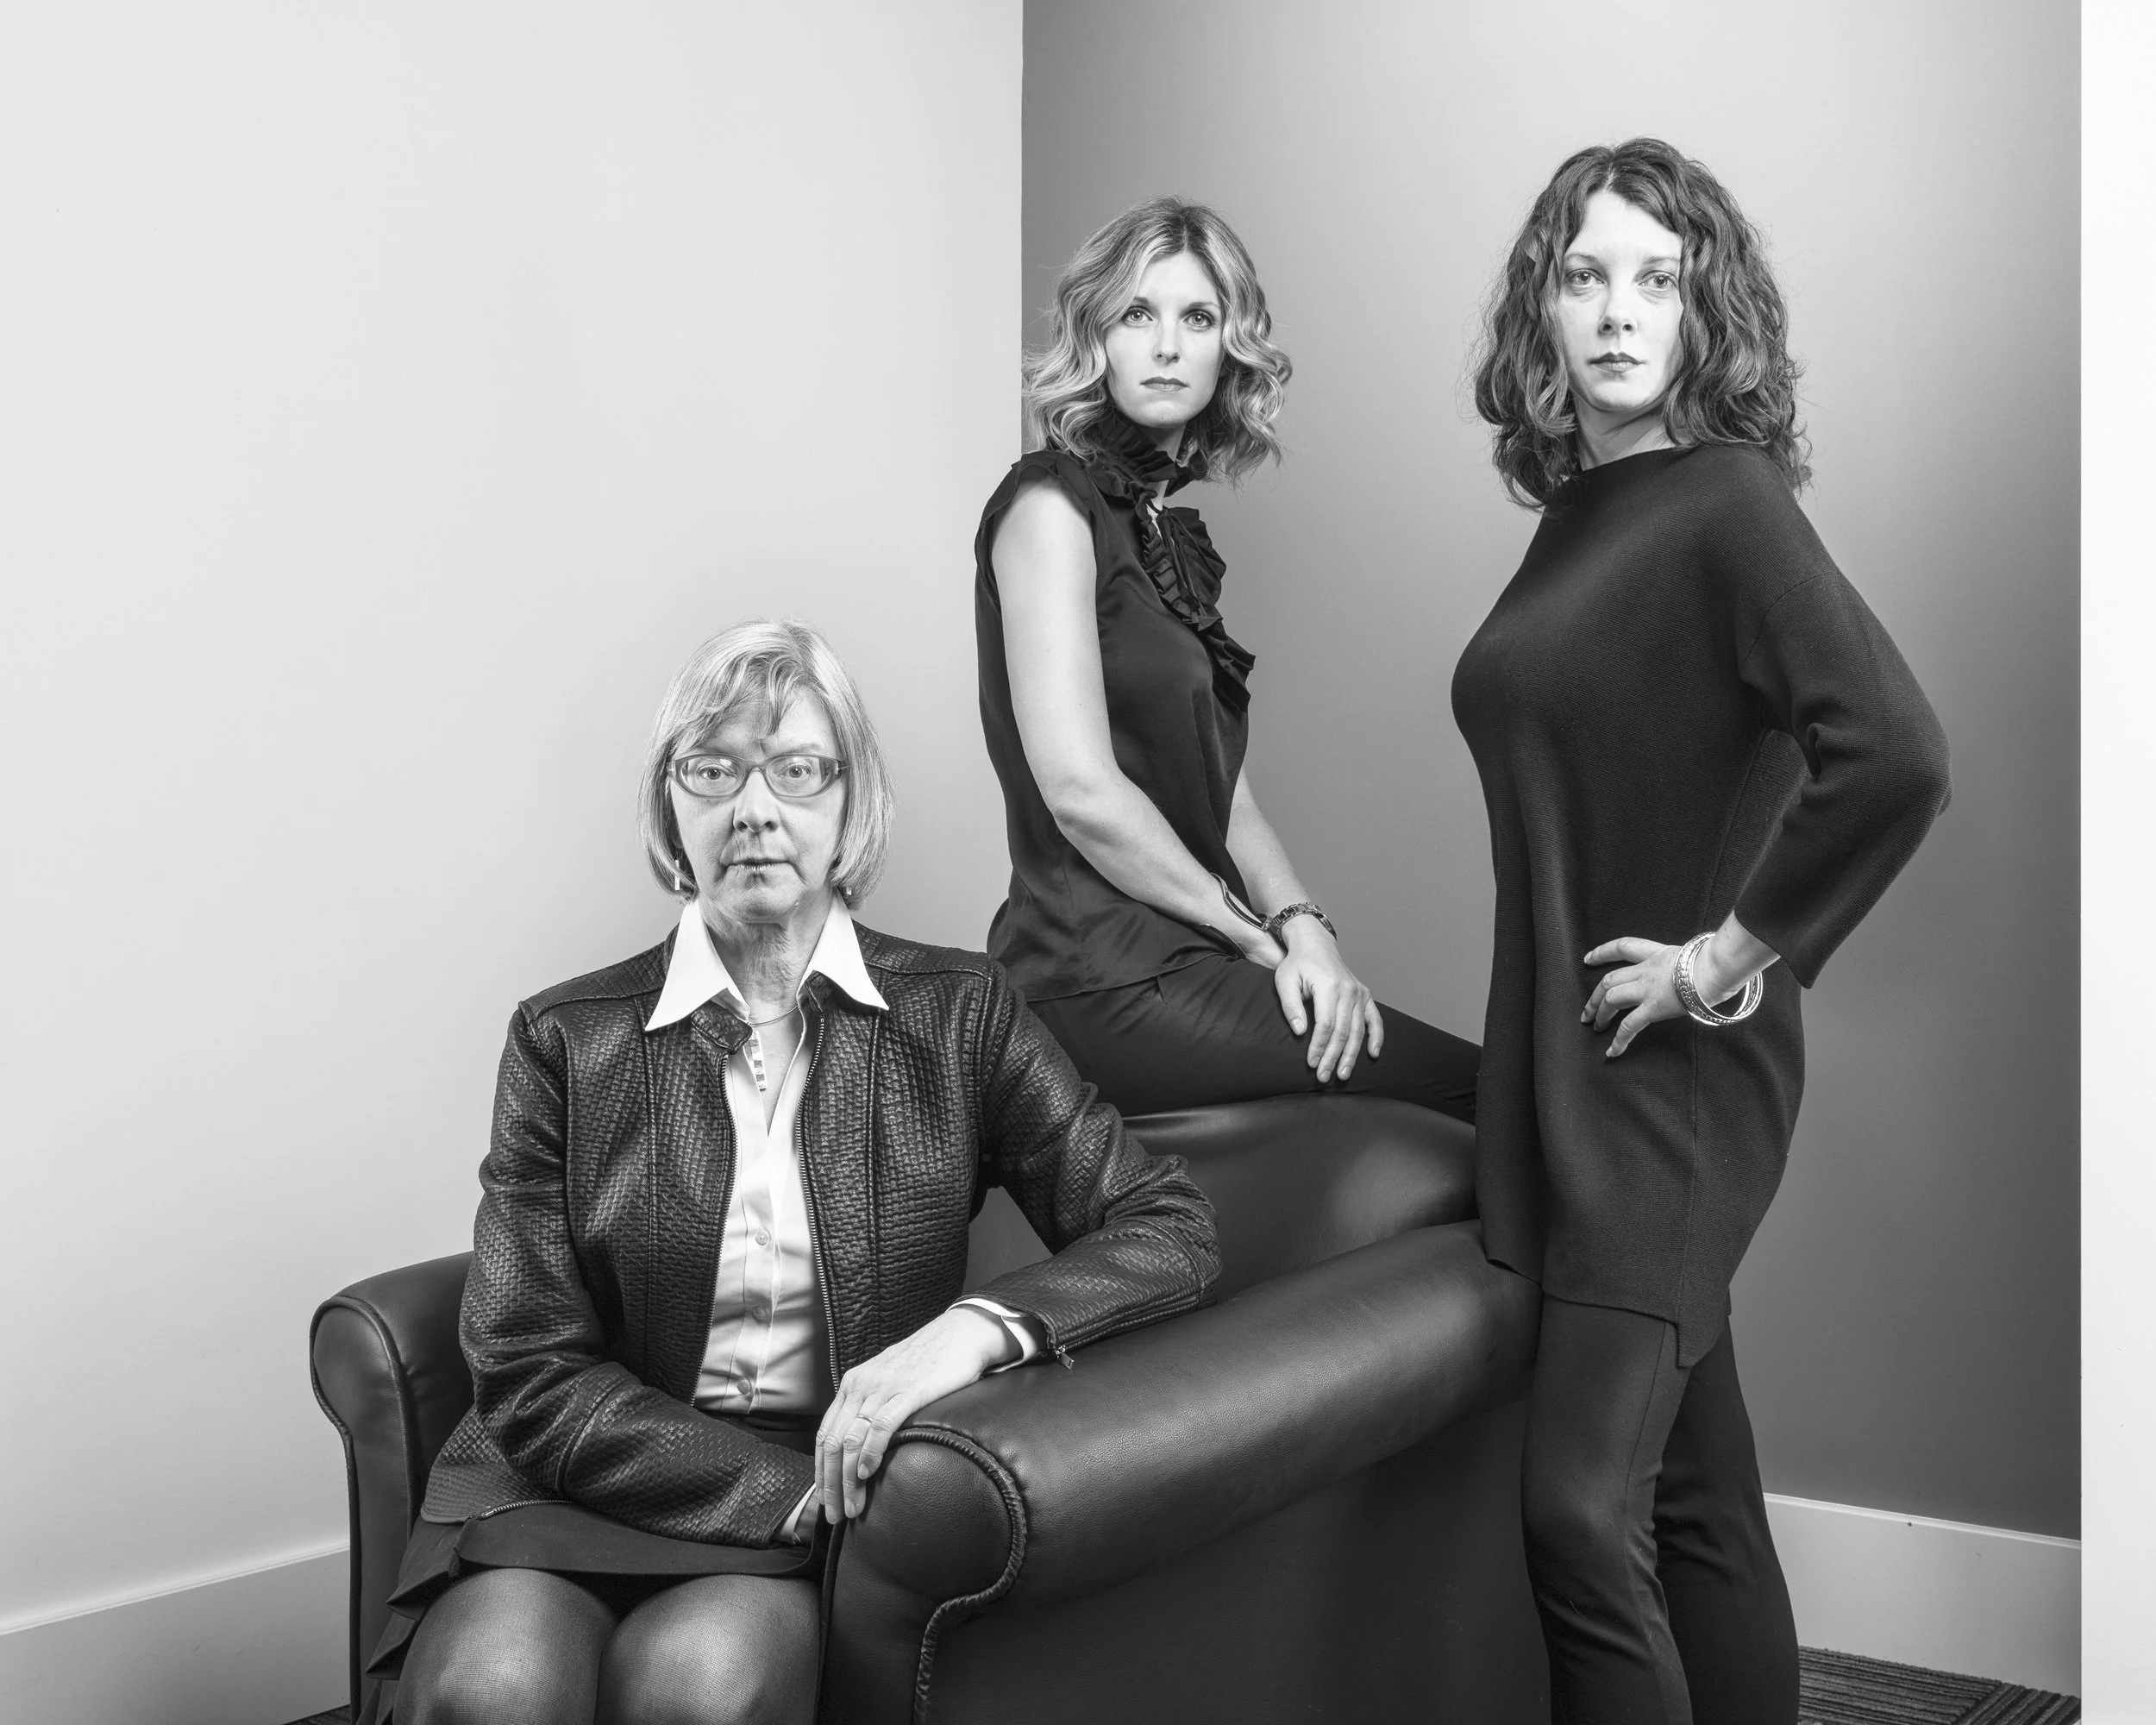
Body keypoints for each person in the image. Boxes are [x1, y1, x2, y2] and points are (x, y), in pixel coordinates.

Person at [378, 619, 1219, 1725]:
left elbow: (1167, 1225)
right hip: (578, 1472)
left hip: (807, 1473)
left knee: (694, 1695)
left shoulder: (956, 1012)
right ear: (670, 805)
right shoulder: (563, 1036)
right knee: (492, 1695)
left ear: (849, 805)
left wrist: (965, 1334)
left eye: (798, 769)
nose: (755, 808)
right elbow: (527, 1367)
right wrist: (791, 1495)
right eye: (713, 768)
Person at [1453, 139, 1951, 1725]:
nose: (1617, 314)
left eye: (1656, 280)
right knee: (1697, 1506)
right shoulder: (1585, 516)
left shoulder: (1725, 502)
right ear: (1544, 304)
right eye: (1584, 276)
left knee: (1579, 1518)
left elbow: (1896, 749)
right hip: (1577, 1071)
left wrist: (1725, 958)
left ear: (1703, 307)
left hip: (1670, 1087)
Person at [975, 195, 1478, 1121]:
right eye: (1138, 314)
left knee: (1469, 1097)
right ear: (1096, 336)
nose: (1167, 344)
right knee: (1480, 1092)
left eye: (1196, 317)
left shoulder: (1159, 532)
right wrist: (1252, 940)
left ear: (1227, 347)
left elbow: (1226, 792)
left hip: (1183, 955)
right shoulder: (1048, 505)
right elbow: (1081, 792)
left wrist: (1307, 932)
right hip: (1095, 974)